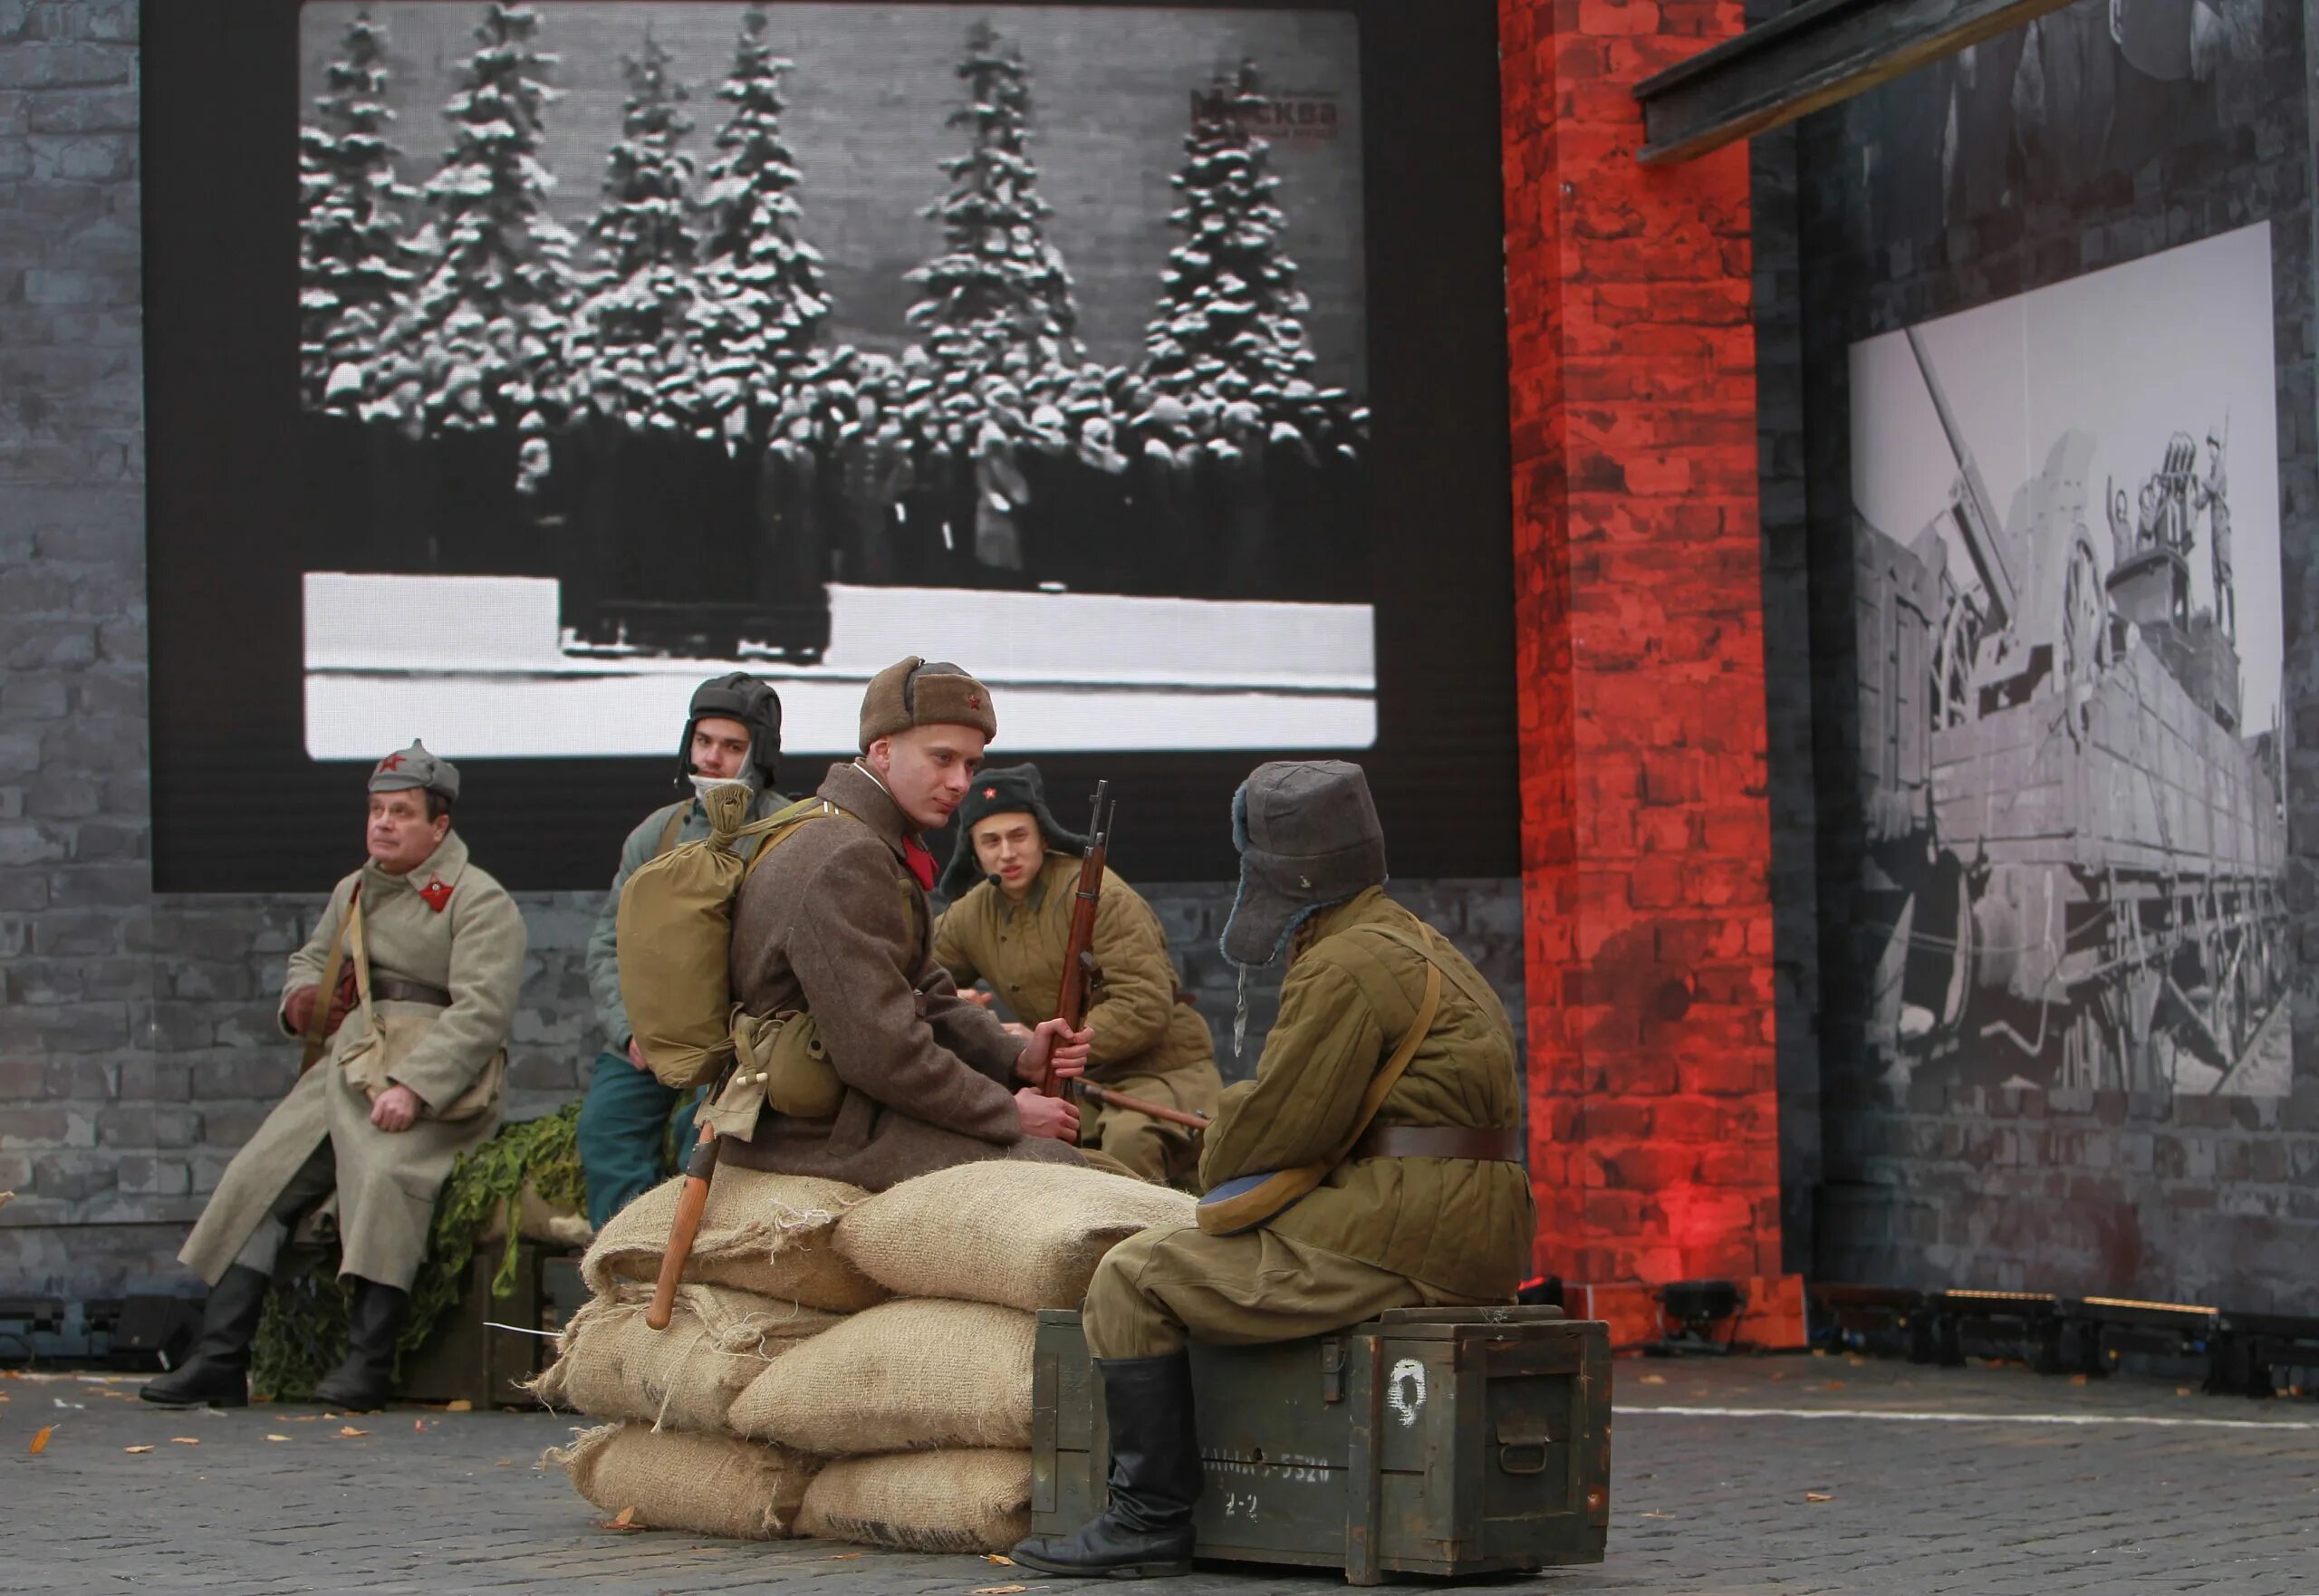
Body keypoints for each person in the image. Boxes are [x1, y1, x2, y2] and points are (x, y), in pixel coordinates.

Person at [1011, 760, 1535, 1578]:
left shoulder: (1344, 964)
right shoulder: (1417, 940)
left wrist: (1222, 1128)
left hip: (1402, 1233)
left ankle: (1149, 1517)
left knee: (1132, 1276)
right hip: (1463, 1228)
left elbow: (1275, 1133)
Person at [144, 743, 527, 1411]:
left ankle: (368, 1363)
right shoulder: (354, 889)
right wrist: (303, 1002)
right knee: (257, 1179)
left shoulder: (477, 899)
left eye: (401, 813)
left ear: (439, 827)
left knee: (385, 1180)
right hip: (345, 1065)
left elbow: (482, 1013)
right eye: (377, 811)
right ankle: (220, 1357)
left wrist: (416, 1086)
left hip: (432, 1081)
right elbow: (311, 958)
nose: (383, 824)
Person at [720, 658, 1092, 1188]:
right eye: (942, 758)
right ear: (882, 748)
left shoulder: (860, 836)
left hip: (841, 1111)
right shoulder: (845, 857)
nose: (960, 782)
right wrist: (1007, 1112)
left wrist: (1017, 1058)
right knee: (1057, 1171)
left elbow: (926, 993)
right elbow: (880, 1051)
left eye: (970, 765)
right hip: (810, 1133)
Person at [933, 764, 1221, 1185]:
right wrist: (956, 1003)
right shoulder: (970, 914)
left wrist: (1048, 1044)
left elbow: (1143, 1004)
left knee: (1130, 1142)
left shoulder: (1105, 895)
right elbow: (917, 976)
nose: (1007, 853)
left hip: (1161, 1068)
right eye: (991, 841)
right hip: (1069, 1079)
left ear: (1043, 837)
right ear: (974, 852)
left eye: (1019, 836)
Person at [576, 675, 788, 1230]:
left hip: (736, 1040)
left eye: (732, 746)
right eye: (704, 741)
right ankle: (622, 1271)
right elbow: (607, 943)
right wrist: (630, 1030)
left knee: (698, 1136)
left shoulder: (785, 833)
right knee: (607, 1127)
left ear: (758, 754)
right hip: (647, 1034)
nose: (713, 757)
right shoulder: (658, 833)